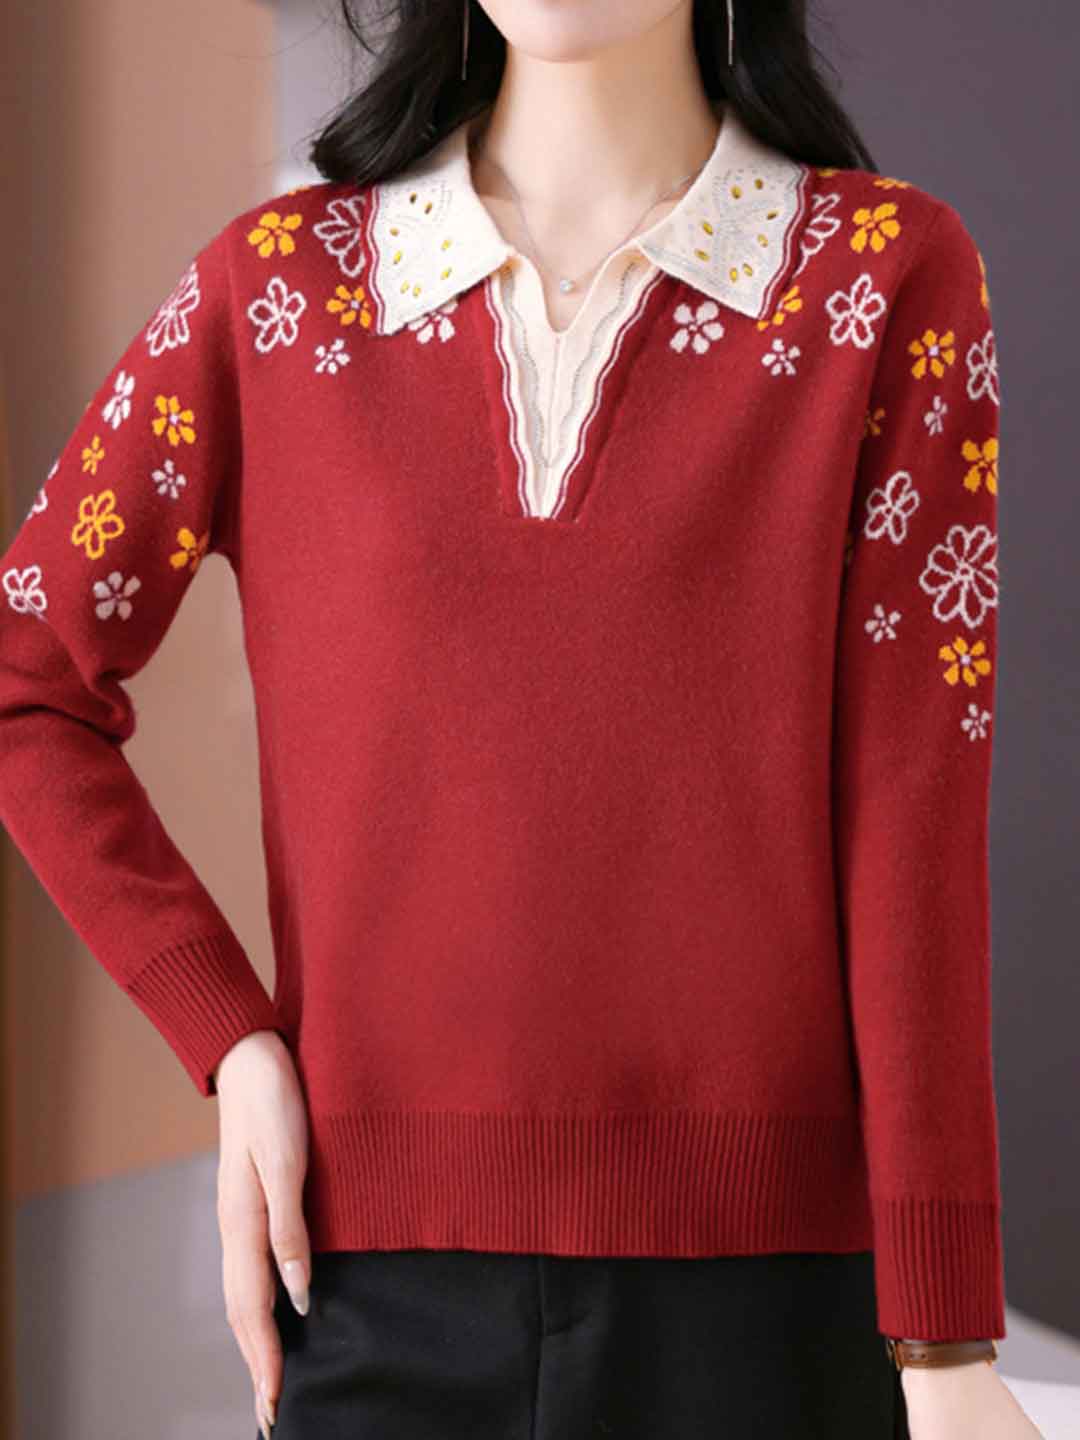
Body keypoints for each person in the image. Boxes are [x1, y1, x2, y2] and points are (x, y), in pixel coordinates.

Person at [0, 1, 1043, 1437]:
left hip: (776, 1309)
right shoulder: (276, 292)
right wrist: (231, 1041)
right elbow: (27, 679)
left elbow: (914, 818)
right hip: (363, 1291)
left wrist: (944, 1340)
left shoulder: (884, 276)